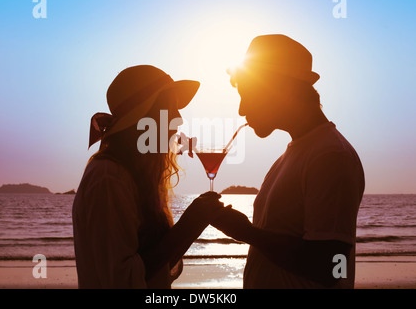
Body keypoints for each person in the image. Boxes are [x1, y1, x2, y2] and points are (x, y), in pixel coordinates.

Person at [211, 35, 365, 288]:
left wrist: (246, 232)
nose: (241, 109)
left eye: (247, 95)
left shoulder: (331, 156)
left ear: (280, 89)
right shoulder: (293, 154)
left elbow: (329, 266)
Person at [72, 65, 223, 288]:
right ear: (146, 118)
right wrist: (188, 226)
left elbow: (156, 267)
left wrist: (195, 223)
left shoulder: (134, 176)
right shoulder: (108, 178)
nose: (179, 119)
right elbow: (122, 281)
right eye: (171, 109)